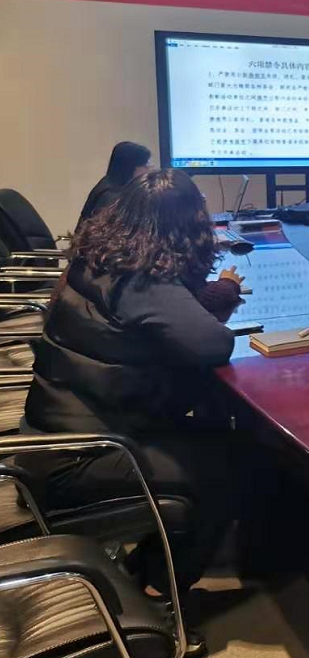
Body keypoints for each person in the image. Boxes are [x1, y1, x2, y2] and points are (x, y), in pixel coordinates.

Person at [23, 168, 244, 612]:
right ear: (187, 228)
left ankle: (146, 565)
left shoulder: (99, 259)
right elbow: (213, 343)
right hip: (82, 459)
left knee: (214, 430)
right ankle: (161, 594)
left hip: (48, 441)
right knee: (233, 461)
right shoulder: (145, 281)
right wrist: (220, 291)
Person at [77, 141, 152, 226]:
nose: (149, 170)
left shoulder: (112, 183)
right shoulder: (110, 196)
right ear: (130, 167)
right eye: (145, 166)